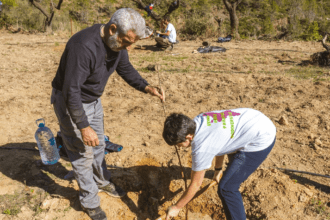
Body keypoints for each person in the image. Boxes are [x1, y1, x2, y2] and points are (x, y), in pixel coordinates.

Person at [51, 8, 165, 220]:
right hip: (71, 102)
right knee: (81, 153)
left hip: (93, 100)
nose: (129, 47)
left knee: (99, 146)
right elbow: (71, 92)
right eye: (126, 41)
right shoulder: (83, 46)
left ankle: (102, 182)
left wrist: (146, 87)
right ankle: (90, 201)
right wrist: (84, 127)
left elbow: (126, 69)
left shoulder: (117, 44)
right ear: (112, 29)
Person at [162, 108, 276, 220]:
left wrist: (177, 207)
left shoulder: (201, 148)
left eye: (178, 144)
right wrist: (218, 170)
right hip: (255, 119)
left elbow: (196, 184)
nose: (179, 147)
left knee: (227, 188)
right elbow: (220, 143)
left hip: (261, 139)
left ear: (188, 137)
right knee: (228, 176)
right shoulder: (200, 119)